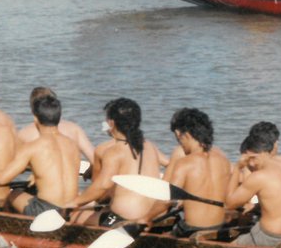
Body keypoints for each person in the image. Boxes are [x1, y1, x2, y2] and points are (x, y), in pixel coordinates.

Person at [0, 94, 80, 216]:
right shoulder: (73, 145)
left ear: (35, 119)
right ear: (58, 117)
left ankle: (8, 228)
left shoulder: (32, 147)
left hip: (45, 210)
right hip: (71, 208)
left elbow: (3, 179)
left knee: (13, 194)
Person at [66, 98, 166, 226]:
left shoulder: (113, 152)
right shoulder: (150, 146)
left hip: (123, 218)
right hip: (153, 214)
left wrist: (74, 203)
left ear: (111, 123)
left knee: (75, 215)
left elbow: (102, 187)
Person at [226, 122, 281, 248]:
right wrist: (257, 206)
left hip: (272, 237)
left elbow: (229, 204)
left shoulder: (258, 177)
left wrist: (238, 167)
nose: (250, 165)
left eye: (248, 160)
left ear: (251, 156)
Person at [161, 107, 232, 238]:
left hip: (191, 230)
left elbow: (166, 201)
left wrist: (145, 218)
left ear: (183, 135)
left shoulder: (185, 163)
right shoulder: (224, 160)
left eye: (179, 140)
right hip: (219, 227)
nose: (180, 146)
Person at [18, 87, 95, 168]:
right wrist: (89, 170)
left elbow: (12, 166)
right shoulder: (74, 129)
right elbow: (94, 159)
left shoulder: (25, 133)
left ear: (32, 108)